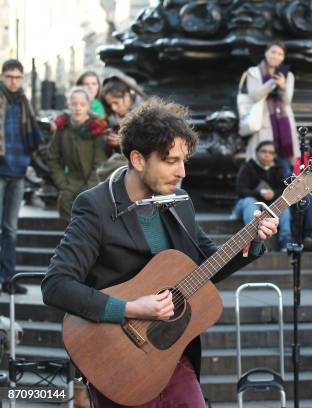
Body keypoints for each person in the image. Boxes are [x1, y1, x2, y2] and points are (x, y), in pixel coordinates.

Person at [41, 98, 279, 407]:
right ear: (138, 160)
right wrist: (131, 308)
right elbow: (56, 285)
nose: (181, 172)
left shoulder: (179, 202)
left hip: (173, 355)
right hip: (117, 358)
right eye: (170, 160)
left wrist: (253, 239)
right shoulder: (96, 207)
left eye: (184, 160)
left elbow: (208, 266)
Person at [0, 59, 43, 295]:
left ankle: (8, 279)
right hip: (1, 170)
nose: (14, 82)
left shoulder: (24, 102)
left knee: (10, 229)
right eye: (9, 77)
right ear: (2, 77)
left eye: (17, 77)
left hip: (17, 171)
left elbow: (33, 135)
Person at [47, 87, 107, 222]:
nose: (78, 108)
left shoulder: (95, 128)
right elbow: (52, 157)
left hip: (93, 181)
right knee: (66, 207)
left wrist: (90, 187)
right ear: (69, 105)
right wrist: (62, 183)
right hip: (70, 181)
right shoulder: (62, 128)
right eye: (74, 104)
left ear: (88, 106)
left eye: (82, 104)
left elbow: (100, 163)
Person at [243, 42, 298, 177]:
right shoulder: (253, 72)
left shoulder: (288, 75)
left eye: (280, 54)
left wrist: (283, 86)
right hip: (264, 121)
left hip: (283, 125)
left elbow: (287, 100)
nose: (276, 56)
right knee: (264, 161)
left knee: (285, 166)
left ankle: (287, 195)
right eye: (273, 52)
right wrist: (272, 82)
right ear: (266, 53)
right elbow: (255, 95)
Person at [234, 140, 291, 251]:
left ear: (274, 155)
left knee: (283, 204)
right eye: (263, 151)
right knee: (250, 201)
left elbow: (285, 191)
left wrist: (273, 193)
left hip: (269, 208)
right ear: (256, 152)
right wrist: (260, 193)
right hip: (246, 208)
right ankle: (253, 239)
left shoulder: (278, 169)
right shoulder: (247, 167)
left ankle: (285, 240)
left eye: (271, 152)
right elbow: (240, 191)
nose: (267, 155)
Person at [97, 73, 146, 180]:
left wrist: (123, 141)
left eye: (116, 102)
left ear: (128, 95)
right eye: (110, 105)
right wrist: (109, 141)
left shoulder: (147, 115)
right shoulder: (112, 118)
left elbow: (150, 147)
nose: (113, 108)